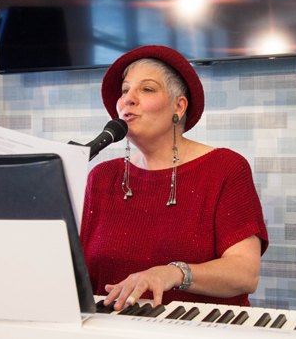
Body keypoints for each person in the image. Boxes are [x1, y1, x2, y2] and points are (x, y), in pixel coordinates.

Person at [80, 45, 268, 311]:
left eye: (147, 89)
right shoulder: (101, 176)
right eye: (125, 90)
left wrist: (173, 273)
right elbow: (80, 274)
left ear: (178, 106)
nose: (128, 99)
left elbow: (245, 274)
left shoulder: (226, 168)